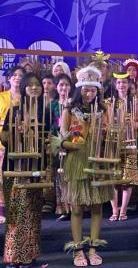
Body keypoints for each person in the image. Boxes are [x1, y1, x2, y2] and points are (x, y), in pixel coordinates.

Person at [60, 66, 113, 266]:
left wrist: (106, 131)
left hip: (98, 159)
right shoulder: (68, 108)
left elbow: (109, 133)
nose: (89, 93)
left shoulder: (104, 109)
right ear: (79, 89)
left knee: (97, 206)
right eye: (86, 89)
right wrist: (71, 141)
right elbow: (63, 136)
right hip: (76, 160)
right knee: (76, 208)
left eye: (93, 90)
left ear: (98, 90)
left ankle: (93, 248)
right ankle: (77, 249)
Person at [2, 73, 54, 268]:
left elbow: (50, 140)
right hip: (14, 168)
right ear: (23, 87)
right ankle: (13, 257)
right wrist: (17, 131)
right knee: (16, 213)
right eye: (30, 85)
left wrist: (49, 144)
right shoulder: (14, 110)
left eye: (37, 85)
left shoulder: (45, 112)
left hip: (36, 169)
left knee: (32, 213)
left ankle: (29, 257)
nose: (34, 88)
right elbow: (4, 138)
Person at [107, 73, 138, 222]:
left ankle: (123, 209)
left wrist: (131, 125)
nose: (122, 85)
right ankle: (114, 209)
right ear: (115, 85)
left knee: (128, 177)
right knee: (114, 177)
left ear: (128, 85)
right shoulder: (110, 102)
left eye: (124, 83)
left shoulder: (134, 101)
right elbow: (107, 122)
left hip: (130, 141)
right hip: (114, 143)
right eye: (119, 82)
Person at [0, 66, 25, 225]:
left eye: (20, 75)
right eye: (14, 75)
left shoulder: (26, 98)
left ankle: (18, 210)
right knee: (1, 179)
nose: (17, 77)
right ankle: (1, 210)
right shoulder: (1, 97)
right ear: (9, 79)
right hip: (1, 141)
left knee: (18, 177)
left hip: (21, 142)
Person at [52, 73, 73, 221]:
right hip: (57, 144)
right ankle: (64, 209)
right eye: (61, 85)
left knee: (72, 176)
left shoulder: (74, 104)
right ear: (56, 87)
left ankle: (76, 207)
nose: (63, 87)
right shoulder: (52, 105)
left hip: (73, 143)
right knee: (60, 177)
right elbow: (49, 125)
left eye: (66, 84)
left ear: (71, 87)